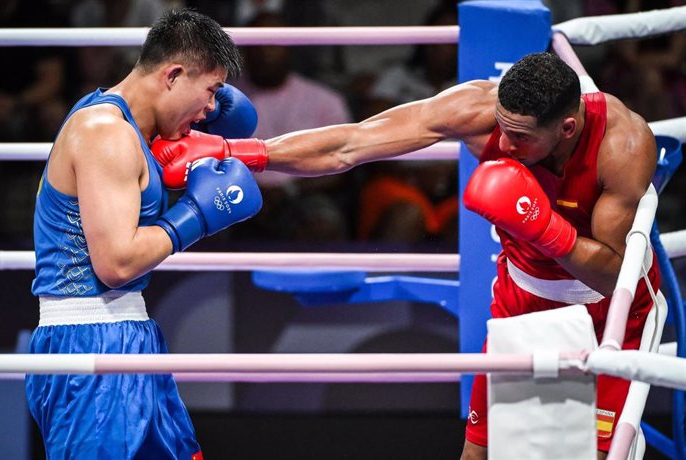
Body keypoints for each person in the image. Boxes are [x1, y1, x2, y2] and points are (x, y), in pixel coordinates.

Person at [155, 52, 661, 459]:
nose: (502, 143)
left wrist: (547, 229)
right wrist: (238, 152)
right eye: (502, 127)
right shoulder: (480, 111)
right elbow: (352, 144)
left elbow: (616, 277)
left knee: (598, 452)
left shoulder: (622, 146)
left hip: (607, 313)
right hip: (521, 297)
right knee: (480, 449)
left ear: (567, 129)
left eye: (521, 136)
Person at [27, 9, 263, 459]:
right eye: (210, 91)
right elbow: (116, 264)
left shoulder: (131, 130)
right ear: (173, 74)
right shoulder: (106, 133)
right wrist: (197, 214)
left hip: (126, 332)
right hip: (91, 344)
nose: (213, 108)